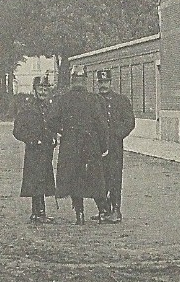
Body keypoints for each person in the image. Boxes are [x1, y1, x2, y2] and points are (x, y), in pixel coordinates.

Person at [46, 67, 110, 225]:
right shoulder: (94, 99)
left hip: (70, 145)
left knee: (74, 178)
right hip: (91, 144)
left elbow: (51, 121)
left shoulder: (62, 99)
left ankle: (79, 214)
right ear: (85, 81)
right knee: (95, 178)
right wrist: (103, 146)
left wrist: (63, 130)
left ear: (71, 81)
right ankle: (102, 212)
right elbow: (102, 125)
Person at [13, 77, 57, 224]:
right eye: (40, 89)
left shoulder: (49, 107)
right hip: (34, 150)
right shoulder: (27, 107)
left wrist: (54, 137)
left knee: (43, 179)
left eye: (46, 89)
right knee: (35, 180)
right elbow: (17, 130)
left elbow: (52, 125)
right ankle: (38, 212)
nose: (43, 92)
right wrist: (32, 140)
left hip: (46, 150)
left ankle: (39, 212)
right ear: (35, 89)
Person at [94, 69, 136, 223]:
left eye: (106, 82)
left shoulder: (121, 100)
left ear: (111, 82)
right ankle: (103, 209)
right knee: (99, 178)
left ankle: (116, 210)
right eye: (100, 82)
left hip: (115, 147)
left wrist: (117, 135)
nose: (103, 85)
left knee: (114, 177)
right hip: (98, 147)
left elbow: (129, 122)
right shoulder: (94, 101)